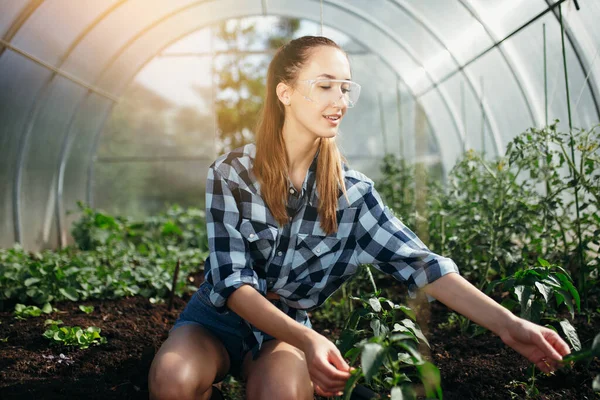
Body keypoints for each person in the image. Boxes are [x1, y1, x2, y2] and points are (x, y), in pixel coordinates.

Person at [148, 36, 571, 400]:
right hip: (216, 320)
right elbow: (234, 284)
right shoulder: (232, 173)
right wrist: (311, 339)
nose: (341, 101)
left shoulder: (352, 195)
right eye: (326, 85)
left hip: (283, 334)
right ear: (285, 92)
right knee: (173, 378)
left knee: (280, 391)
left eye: (346, 88)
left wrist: (510, 324)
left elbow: (423, 265)